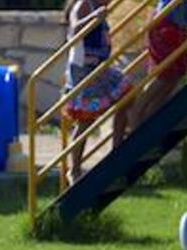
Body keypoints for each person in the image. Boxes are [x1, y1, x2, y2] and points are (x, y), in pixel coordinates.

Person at [62, 0, 132, 184]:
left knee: (126, 93)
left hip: (99, 68)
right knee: (86, 118)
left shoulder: (98, 6)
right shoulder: (84, 4)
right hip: (84, 69)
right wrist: (93, 17)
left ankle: (116, 151)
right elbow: (74, 31)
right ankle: (74, 170)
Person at [126, 0, 187, 131]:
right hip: (165, 23)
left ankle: (148, 121)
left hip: (179, 25)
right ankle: (136, 111)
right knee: (164, 74)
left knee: (175, 76)